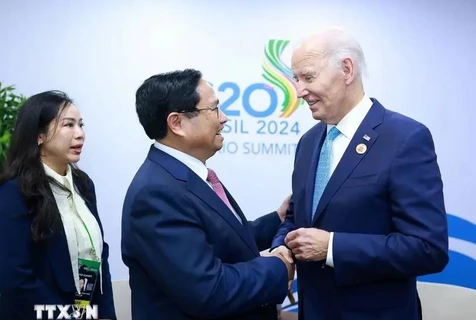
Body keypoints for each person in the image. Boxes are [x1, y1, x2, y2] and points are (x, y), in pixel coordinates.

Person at [271, 27, 449, 320]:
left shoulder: (404, 138)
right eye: (296, 79)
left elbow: (428, 248)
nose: (299, 91)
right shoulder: (308, 143)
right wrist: (282, 249)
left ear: (346, 69)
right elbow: (295, 219)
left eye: (308, 77)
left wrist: (332, 247)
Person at [121, 69, 294, 320]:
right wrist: (279, 266)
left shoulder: (182, 176)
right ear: (177, 123)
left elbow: (220, 240)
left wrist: (278, 219)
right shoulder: (156, 193)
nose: (223, 118)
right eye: (214, 109)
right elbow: (209, 290)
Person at [0, 91, 116, 320]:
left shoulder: (83, 185)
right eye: (68, 125)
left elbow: (96, 254)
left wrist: (104, 313)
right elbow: (16, 278)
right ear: (39, 135)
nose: (80, 134)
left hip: (87, 310)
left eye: (81, 125)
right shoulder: (15, 192)